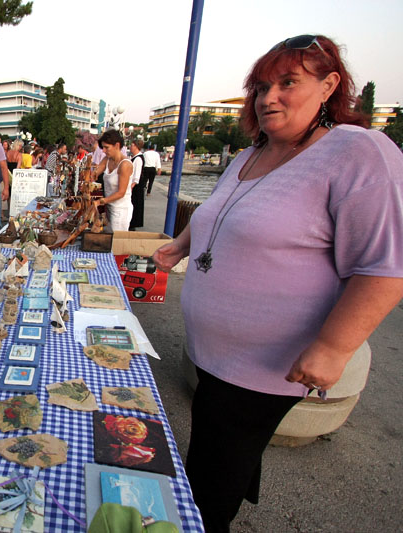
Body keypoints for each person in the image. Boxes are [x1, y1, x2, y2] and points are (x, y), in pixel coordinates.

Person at [151, 34, 403, 532]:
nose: (269, 98)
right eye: (262, 87)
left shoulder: (359, 151)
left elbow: (385, 266)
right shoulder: (254, 151)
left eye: (289, 83)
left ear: (330, 86)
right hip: (215, 356)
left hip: (266, 366)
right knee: (218, 433)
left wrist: (333, 347)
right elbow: (220, 212)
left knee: (208, 475)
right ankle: (239, 474)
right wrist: (181, 244)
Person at [92, 130, 133, 231]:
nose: (104, 151)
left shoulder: (125, 165)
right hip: (110, 207)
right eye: (103, 147)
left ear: (117, 145)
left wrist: (100, 201)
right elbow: (95, 173)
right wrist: (90, 176)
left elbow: (121, 193)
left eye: (106, 147)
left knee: (117, 243)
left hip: (121, 210)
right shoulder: (107, 159)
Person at [128, 139, 146, 230]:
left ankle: (132, 224)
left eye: (131, 145)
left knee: (134, 207)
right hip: (135, 187)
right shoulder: (135, 157)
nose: (130, 147)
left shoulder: (138, 159)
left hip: (136, 189)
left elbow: (136, 176)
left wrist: (131, 187)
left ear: (135, 146)